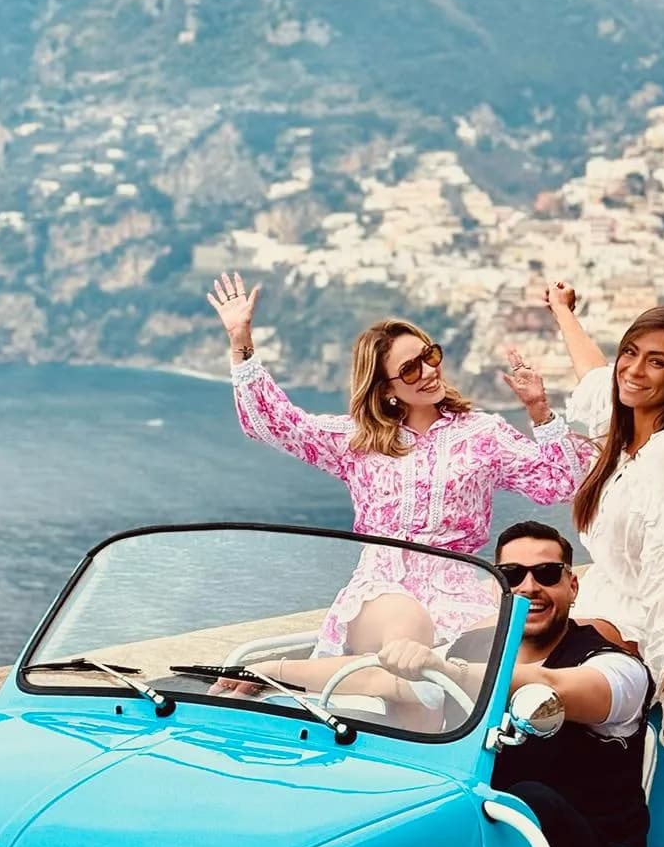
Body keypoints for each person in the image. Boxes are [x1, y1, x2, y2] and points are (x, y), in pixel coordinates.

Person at [207, 271, 589, 660]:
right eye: (410, 369)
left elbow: (562, 483)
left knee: (483, 675)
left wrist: (539, 409)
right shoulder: (358, 439)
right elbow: (275, 424)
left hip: (459, 596)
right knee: (407, 640)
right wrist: (241, 343)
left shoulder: (483, 434)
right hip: (380, 591)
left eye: (430, 356)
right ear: (386, 388)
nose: (427, 371)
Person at [378, 521, 652, 847]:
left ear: (572, 586)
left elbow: (555, 685)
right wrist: (264, 673)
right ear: (497, 588)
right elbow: (379, 677)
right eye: (512, 575)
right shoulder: (469, 652)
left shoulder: (615, 667)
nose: (529, 587)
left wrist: (444, 667)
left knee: (527, 799)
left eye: (546, 574)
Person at [545, 287, 664, 722]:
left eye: (657, 361)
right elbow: (593, 374)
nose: (634, 370)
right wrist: (562, 311)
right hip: (598, 608)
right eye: (630, 352)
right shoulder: (624, 430)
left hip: (640, 624)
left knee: (520, 679)